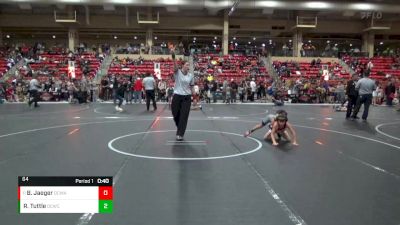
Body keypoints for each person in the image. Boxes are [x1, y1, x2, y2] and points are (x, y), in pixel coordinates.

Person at [171, 50, 195, 141]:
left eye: (189, 65)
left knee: (184, 116)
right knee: (175, 114)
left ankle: (180, 133)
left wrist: (195, 97)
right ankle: (180, 128)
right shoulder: (178, 72)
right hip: (177, 96)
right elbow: (175, 67)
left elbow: (192, 87)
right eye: (187, 65)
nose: (188, 66)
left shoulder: (191, 76)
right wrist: (174, 58)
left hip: (186, 98)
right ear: (183, 66)